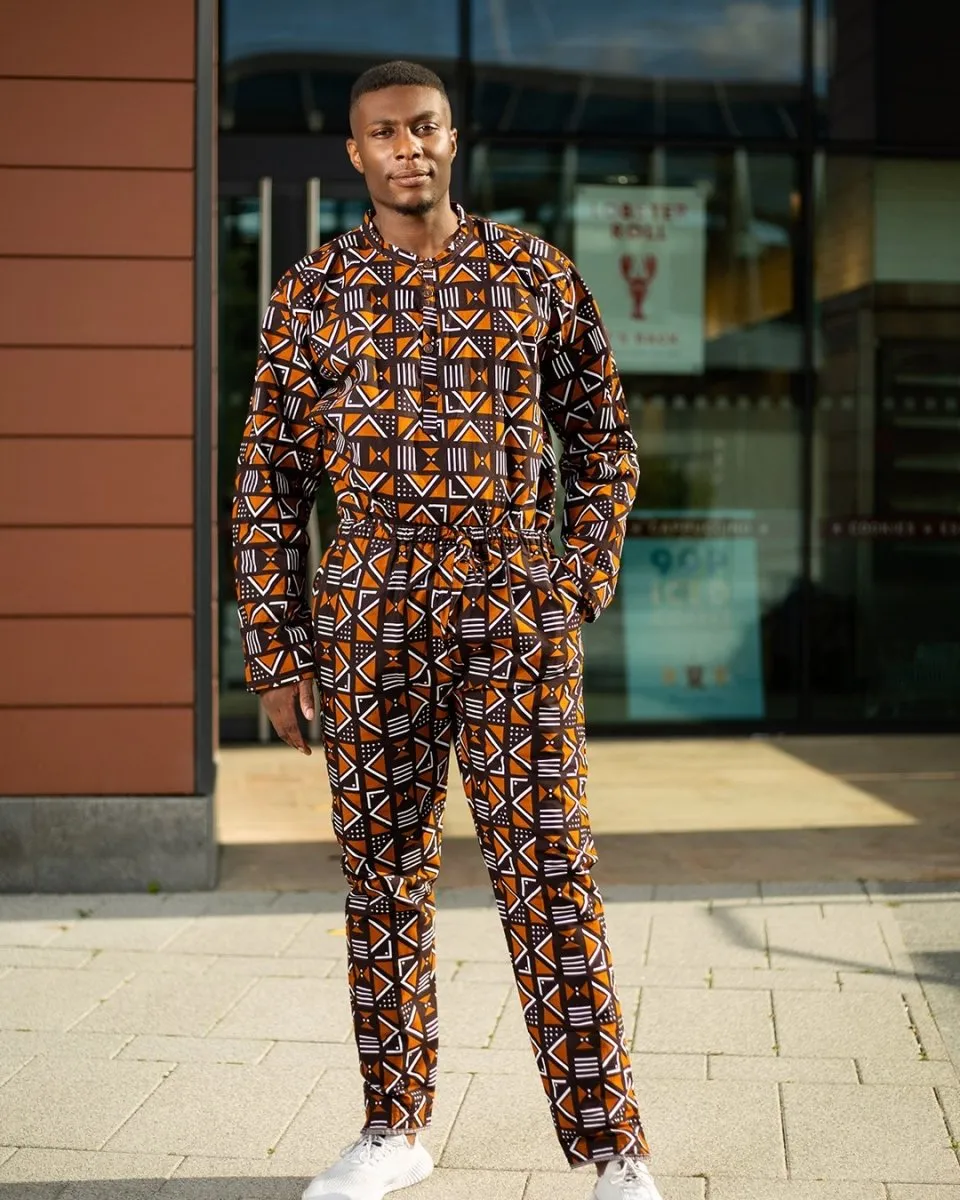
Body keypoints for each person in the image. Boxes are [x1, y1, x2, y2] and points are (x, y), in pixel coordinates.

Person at [232, 59, 662, 1200]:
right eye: (383, 134)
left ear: (452, 136)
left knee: (550, 876)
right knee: (380, 875)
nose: (406, 149)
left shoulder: (535, 275)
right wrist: (279, 653)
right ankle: (395, 1130)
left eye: (423, 127)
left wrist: (574, 581)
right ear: (355, 154)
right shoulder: (308, 295)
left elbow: (606, 445)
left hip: (513, 606)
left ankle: (614, 1149)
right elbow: (269, 482)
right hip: (369, 609)